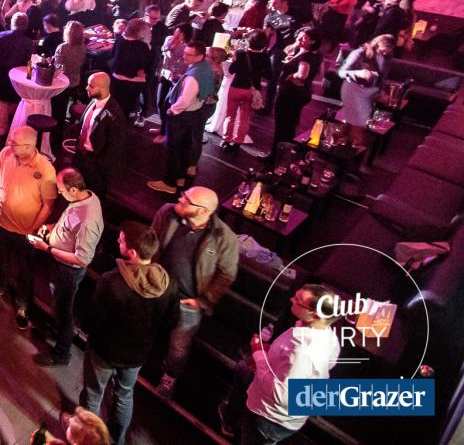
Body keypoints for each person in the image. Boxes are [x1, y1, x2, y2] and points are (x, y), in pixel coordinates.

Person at [79, 222, 179, 445]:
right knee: (124, 395)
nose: (118, 240)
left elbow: (92, 320)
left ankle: (89, 440)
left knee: (93, 394)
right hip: (137, 355)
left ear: (132, 252)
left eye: (122, 239)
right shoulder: (169, 284)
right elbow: (171, 322)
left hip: (104, 351)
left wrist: (86, 330)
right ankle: (117, 440)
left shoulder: (112, 281)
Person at [151, 187, 239, 399]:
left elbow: (226, 274)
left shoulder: (224, 237)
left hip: (187, 302)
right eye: (184, 195)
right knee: (146, 324)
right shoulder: (167, 212)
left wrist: (203, 301)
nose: (180, 199)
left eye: (187, 200)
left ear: (204, 211)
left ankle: (170, 376)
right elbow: (151, 240)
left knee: (178, 346)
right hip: (157, 289)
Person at [0, 126, 58, 331]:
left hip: (25, 232)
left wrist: (32, 228)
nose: (10, 144)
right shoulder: (6, 154)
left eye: (15, 142)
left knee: (25, 271)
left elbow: (48, 206)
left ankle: (22, 307)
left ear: (29, 146)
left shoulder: (45, 169)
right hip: (2, 222)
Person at [238, 285, 341, 445]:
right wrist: (270, 355)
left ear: (315, 314)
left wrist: (258, 353)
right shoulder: (328, 336)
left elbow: (281, 396)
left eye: (298, 301)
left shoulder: (302, 351)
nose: (292, 299)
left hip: (268, 419)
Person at [33, 169, 103, 367]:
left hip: (68, 271)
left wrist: (47, 248)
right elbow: (70, 225)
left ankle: (61, 354)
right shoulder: (84, 199)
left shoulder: (87, 220)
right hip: (60, 266)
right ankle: (57, 331)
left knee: (64, 311)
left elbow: (82, 259)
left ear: (73, 190)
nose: (58, 192)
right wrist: (52, 227)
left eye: (61, 189)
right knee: (58, 304)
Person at [148, 41, 215, 195]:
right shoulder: (206, 68)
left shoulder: (193, 77)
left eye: (189, 54)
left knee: (173, 149)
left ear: (200, 56)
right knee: (184, 146)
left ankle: (169, 183)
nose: (184, 56)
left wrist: (172, 110)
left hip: (182, 115)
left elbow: (184, 101)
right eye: (185, 52)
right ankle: (180, 178)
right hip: (194, 113)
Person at [270, 27, 322, 163]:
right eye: (299, 35)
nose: (299, 39)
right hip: (298, 95)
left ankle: (276, 158)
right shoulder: (311, 54)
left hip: (290, 95)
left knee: (282, 126)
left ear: (313, 41)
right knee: (289, 126)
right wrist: (292, 58)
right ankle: (283, 156)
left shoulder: (306, 56)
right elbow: (287, 50)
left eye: (304, 37)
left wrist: (291, 75)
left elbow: (302, 75)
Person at [71, 72, 126, 196]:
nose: (86, 88)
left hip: (95, 166)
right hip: (80, 156)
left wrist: (98, 168)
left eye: (91, 86)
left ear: (102, 88)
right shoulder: (94, 101)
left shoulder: (115, 115)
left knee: (91, 197)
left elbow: (114, 149)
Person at [337, 34, 395, 147]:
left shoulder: (386, 58)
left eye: (387, 52)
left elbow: (382, 78)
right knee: (357, 127)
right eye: (382, 51)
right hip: (353, 89)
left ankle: (337, 139)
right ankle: (351, 147)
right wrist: (358, 73)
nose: (384, 53)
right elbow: (341, 72)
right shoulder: (360, 53)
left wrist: (381, 91)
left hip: (367, 93)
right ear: (377, 44)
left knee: (351, 125)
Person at [0, 12, 35, 137]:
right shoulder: (28, 42)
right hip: (17, 77)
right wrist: (29, 77)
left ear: (12, 23)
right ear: (25, 25)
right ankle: (12, 126)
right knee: (15, 100)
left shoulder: (1, 35)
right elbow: (30, 62)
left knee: (2, 102)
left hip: (2, 74)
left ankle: (2, 128)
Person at [223, 32, 270, 151]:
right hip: (252, 90)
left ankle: (226, 141)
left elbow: (231, 70)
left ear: (249, 41)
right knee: (244, 119)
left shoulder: (240, 53)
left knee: (230, 116)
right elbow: (269, 75)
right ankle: (238, 143)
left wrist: (235, 60)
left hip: (236, 87)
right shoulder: (265, 57)